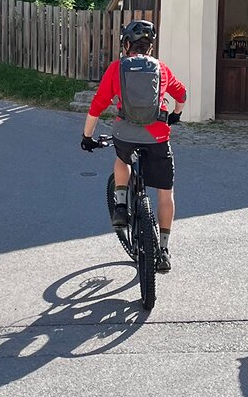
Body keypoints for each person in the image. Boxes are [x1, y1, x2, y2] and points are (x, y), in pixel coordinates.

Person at [80, 20, 187, 273]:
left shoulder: (117, 68)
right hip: (158, 136)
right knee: (164, 191)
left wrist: (87, 137)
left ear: (126, 44)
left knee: (123, 158)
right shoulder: (161, 69)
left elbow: (97, 105)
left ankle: (120, 205)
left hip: (125, 133)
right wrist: (175, 115)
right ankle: (163, 250)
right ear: (150, 47)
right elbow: (181, 94)